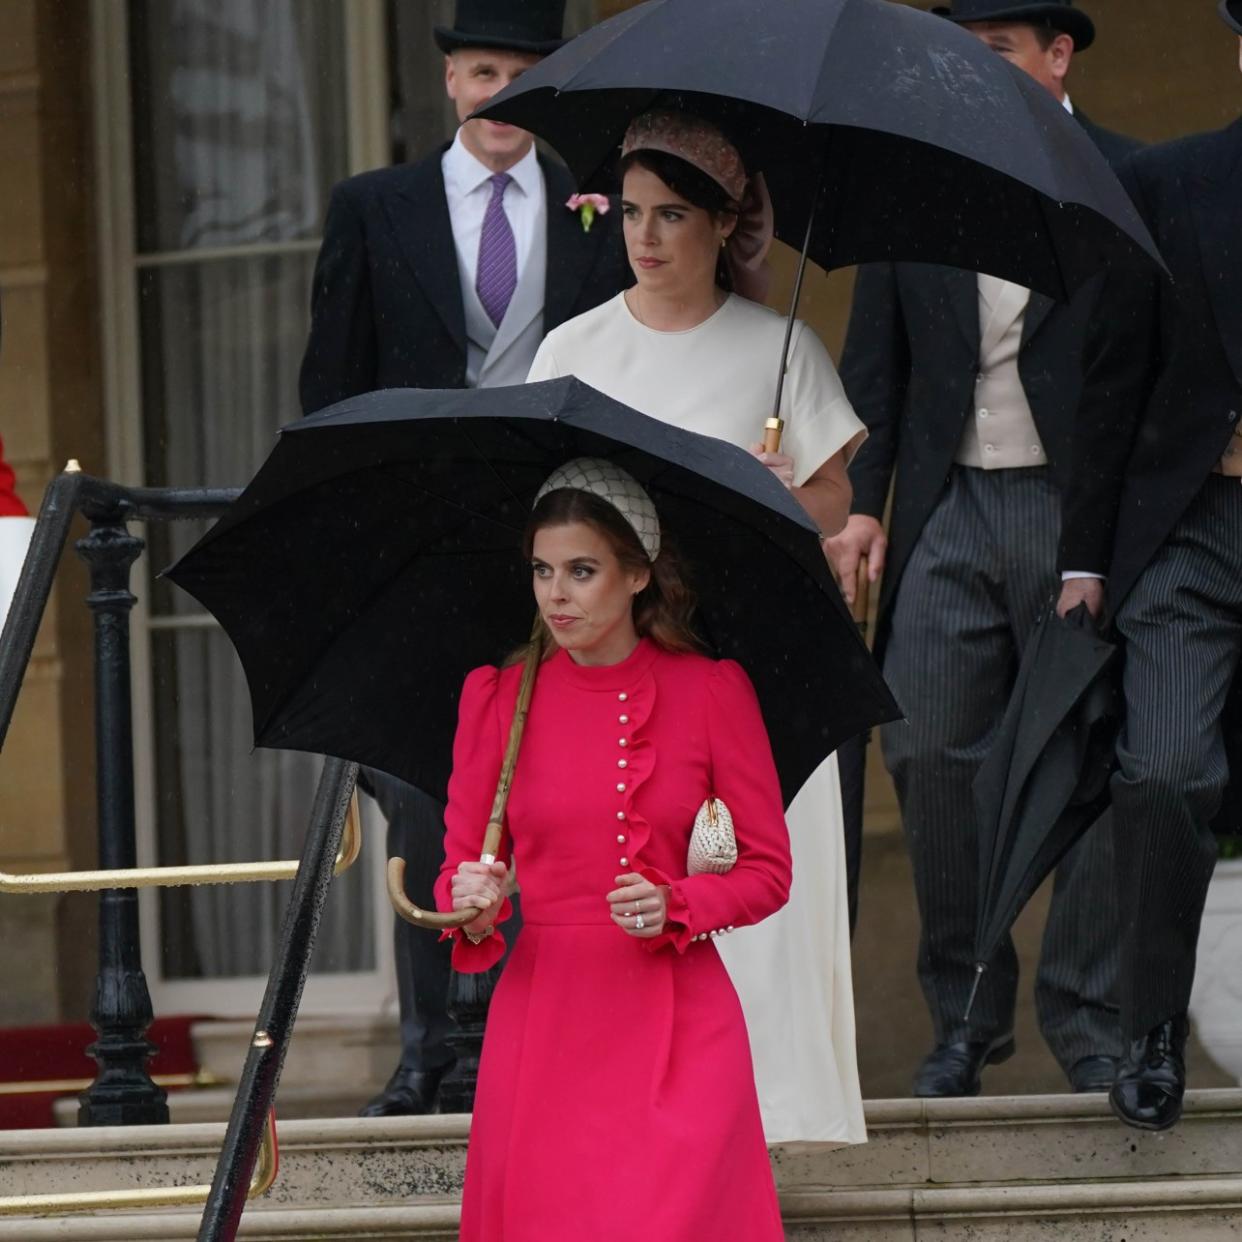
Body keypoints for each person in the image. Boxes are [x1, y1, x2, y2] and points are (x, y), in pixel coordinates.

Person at [298, 0, 627, 1117]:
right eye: (483, 71)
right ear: (450, 81)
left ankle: (516, 1041)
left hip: (561, 543)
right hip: (415, 547)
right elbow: (328, 396)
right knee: (422, 795)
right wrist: (348, 549)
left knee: (548, 787)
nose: (500, 95)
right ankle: (429, 1047)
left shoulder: (596, 214)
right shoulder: (374, 207)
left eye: (524, 75)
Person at [528, 110, 868, 1144]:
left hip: (744, 660)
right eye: (631, 212)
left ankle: (770, 1114)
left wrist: (776, 491)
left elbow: (833, 498)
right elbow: (540, 502)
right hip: (618, 666)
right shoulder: (570, 349)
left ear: (724, 223)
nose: (647, 236)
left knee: (740, 878)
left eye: (672, 214)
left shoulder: (781, 348)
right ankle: (633, 1113)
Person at [831, 0, 1139, 1098]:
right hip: (949, 506)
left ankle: (1090, 1019)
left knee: (1094, 758)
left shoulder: (1128, 178)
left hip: (1083, 512)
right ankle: (966, 1014)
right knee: (924, 747)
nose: (979, 68)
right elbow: (878, 364)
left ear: (1057, 56)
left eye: (1000, 48)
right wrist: (863, 503)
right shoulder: (921, 181)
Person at [437, 459, 790, 1239]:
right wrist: (472, 905)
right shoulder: (498, 697)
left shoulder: (710, 691)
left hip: (679, 1020)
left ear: (636, 575)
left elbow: (768, 872)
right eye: (541, 570)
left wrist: (679, 902)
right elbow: (460, 874)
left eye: (581, 571)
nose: (554, 594)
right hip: (547, 1021)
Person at [1087, 0, 1242, 1130]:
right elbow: (1111, 378)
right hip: (1191, 527)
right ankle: (1148, 1026)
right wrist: (1085, 558)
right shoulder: (1171, 182)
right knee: (1165, 771)